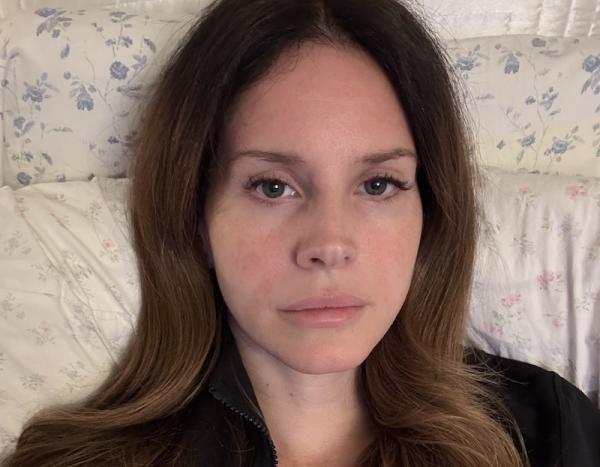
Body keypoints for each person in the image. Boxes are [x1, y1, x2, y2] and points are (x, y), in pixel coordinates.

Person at [4, 0, 600, 466]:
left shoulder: (545, 432)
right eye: (272, 187)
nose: (329, 245)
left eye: (378, 184)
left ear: (432, 211)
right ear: (196, 221)